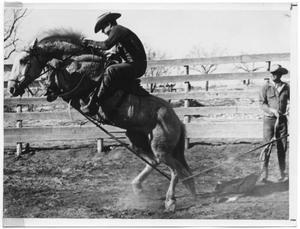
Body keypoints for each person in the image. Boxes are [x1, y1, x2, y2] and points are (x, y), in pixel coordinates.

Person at [82, 12, 147, 115]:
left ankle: (96, 102)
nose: (103, 32)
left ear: (109, 24)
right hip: (134, 65)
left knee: (110, 70)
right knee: (108, 67)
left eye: (102, 28)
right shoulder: (119, 33)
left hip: (136, 66)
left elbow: (106, 45)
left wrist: (89, 43)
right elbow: (116, 52)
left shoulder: (117, 30)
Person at [259, 64, 289, 182]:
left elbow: (293, 100)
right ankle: (263, 175)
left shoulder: (286, 87)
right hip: (269, 120)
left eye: (276, 73)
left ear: (280, 74)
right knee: (266, 146)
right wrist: (272, 111)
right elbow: (262, 104)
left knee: (282, 147)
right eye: (272, 73)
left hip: (282, 121)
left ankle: (282, 174)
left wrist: (289, 109)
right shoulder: (265, 87)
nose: (273, 75)